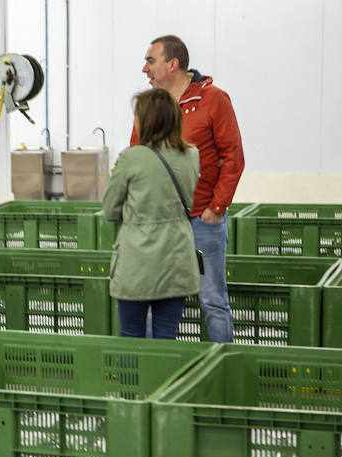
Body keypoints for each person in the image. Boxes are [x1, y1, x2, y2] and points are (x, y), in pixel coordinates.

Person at [134, 35, 244, 342]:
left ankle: (223, 371)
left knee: (212, 301)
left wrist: (216, 208)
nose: (145, 69)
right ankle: (158, 373)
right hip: (163, 224)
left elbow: (233, 157)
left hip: (202, 221)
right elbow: (137, 156)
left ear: (173, 64)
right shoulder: (150, 106)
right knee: (156, 302)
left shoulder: (213, 100)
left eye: (150, 61)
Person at [104, 88, 200, 339]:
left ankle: (134, 380)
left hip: (137, 261)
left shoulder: (131, 158)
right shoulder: (191, 155)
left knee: (131, 335)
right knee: (166, 335)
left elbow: (110, 209)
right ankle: (165, 380)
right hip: (177, 258)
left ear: (146, 119)